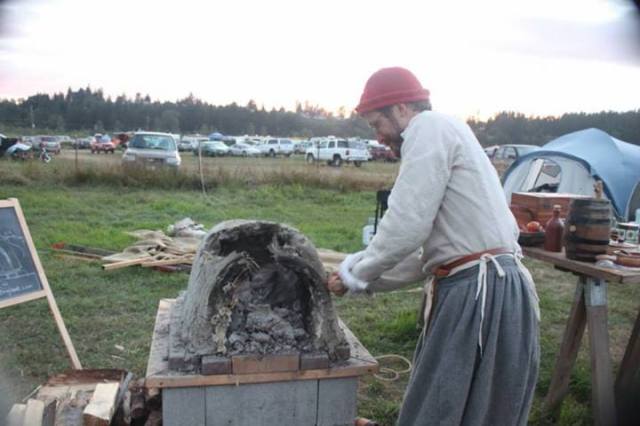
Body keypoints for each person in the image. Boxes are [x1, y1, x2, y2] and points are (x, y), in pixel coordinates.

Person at [327, 67, 540, 426]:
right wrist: (360, 279)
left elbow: (406, 224)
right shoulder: (448, 130)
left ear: (401, 108)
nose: (378, 136)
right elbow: (423, 258)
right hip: (497, 287)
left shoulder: (427, 128)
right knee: (473, 409)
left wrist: (355, 273)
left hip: (479, 291)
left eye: (376, 123)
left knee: (442, 403)